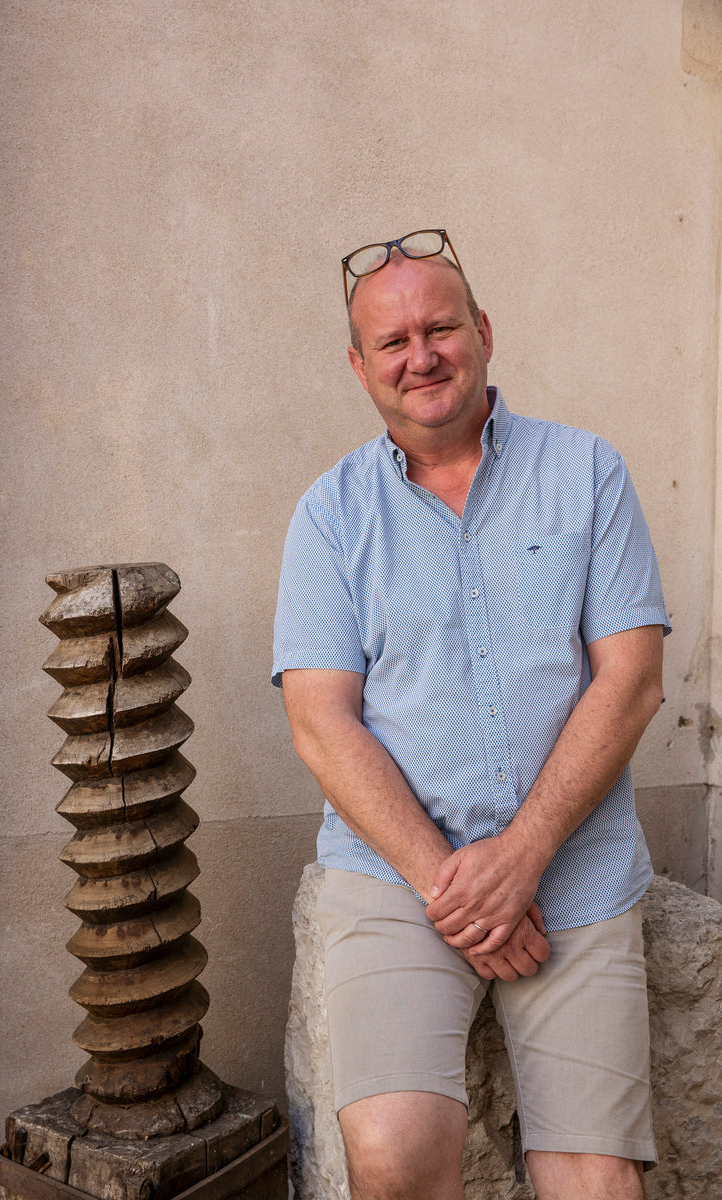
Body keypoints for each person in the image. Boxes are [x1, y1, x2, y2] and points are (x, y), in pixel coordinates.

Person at [272, 229, 670, 1200]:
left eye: (439, 326)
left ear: (482, 331)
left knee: (596, 1186)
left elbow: (632, 679)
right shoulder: (329, 517)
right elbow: (321, 723)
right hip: (395, 879)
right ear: (358, 366)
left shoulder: (586, 474)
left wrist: (522, 855)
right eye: (392, 341)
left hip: (571, 869)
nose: (421, 355)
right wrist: (457, 889)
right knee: (395, 1158)